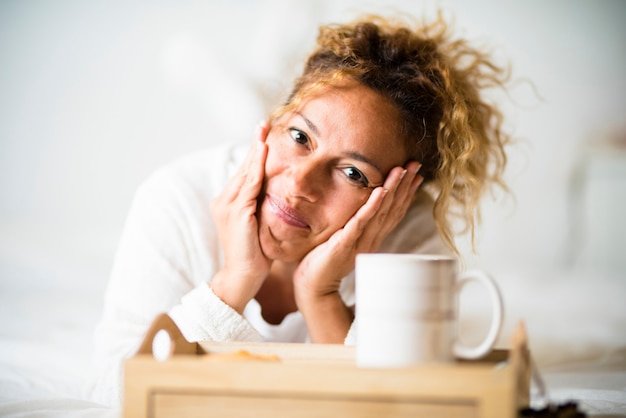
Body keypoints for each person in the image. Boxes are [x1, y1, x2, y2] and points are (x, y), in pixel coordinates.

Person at [92, 12, 510, 406]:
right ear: (272, 121)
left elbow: (402, 406)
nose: (299, 183)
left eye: (351, 173)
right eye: (299, 135)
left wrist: (321, 294)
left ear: (397, 195)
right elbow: (112, 392)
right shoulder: (178, 198)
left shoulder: (410, 241)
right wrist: (233, 281)